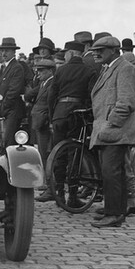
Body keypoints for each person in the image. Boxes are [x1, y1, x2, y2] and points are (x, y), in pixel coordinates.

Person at [88, 36, 135, 228]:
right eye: (94, 50)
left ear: (114, 50)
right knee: (111, 173)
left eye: (100, 50)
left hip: (115, 132)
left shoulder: (125, 68)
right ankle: (115, 209)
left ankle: (115, 214)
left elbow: (126, 102)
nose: (95, 53)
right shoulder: (109, 68)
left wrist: (110, 124)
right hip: (108, 131)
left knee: (112, 173)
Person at [42, 40, 98, 204]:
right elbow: (91, 96)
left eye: (66, 52)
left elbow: (51, 95)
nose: (64, 55)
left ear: (72, 53)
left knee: (59, 153)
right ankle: (72, 195)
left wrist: (53, 116)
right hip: (77, 115)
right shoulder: (89, 71)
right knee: (76, 154)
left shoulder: (61, 71)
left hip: (59, 114)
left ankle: (59, 192)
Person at [25, 58, 56, 196]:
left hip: (44, 123)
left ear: (50, 71)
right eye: (38, 71)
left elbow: (51, 104)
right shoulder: (44, 83)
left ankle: (51, 186)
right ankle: (47, 183)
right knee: (42, 154)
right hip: (39, 122)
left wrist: (50, 122)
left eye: (42, 71)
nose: (39, 74)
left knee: (47, 154)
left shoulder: (51, 84)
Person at [0, 37, 28, 148]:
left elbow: (13, 91)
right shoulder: (6, 67)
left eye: (7, 51)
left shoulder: (16, 67)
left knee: (9, 142)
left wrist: (3, 106)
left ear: (14, 52)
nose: (4, 53)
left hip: (12, 109)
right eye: (2, 50)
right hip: (6, 108)